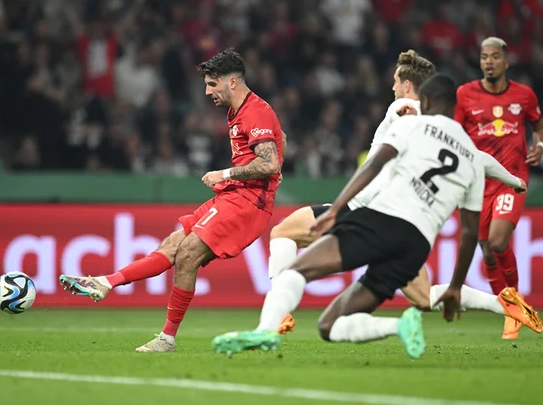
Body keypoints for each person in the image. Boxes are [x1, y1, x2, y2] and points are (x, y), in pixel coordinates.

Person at [212, 74, 542, 359]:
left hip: (381, 218)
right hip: (415, 243)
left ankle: (266, 331)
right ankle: (410, 322)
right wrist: (514, 182)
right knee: (371, 313)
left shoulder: (411, 123)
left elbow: (374, 162)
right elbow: (470, 232)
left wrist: (337, 210)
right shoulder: (470, 152)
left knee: (294, 272)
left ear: (423, 99)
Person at [268, 50, 526, 334]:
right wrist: (512, 179)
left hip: (360, 210)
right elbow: (480, 158)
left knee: (283, 233)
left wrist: (407, 111)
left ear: (406, 85)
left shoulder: (402, 106)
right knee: (424, 299)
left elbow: (405, 111)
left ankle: (278, 313)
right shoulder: (447, 132)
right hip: (402, 224)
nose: (392, 87)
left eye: (395, 81)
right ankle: (502, 303)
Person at [59, 48, 286, 352]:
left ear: (232, 82)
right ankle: (105, 283)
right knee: (172, 244)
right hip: (233, 196)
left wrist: (226, 173)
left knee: (188, 253)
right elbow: (279, 139)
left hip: (247, 202)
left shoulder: (254, 111)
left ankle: (166, 339)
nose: (207, 92)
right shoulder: (241, 110)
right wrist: (272, 166)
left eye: (212, 84)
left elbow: (269, 162)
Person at [455, 37, 543, 339]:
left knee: (497, 241)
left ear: (506, 61)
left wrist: (539, 144)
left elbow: (537, 124)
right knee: (488, 255)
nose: (489, 62)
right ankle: (511, 312)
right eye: (483, 57)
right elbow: (453, 132)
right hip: (476, 184)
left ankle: (515, 307)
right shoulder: (465, 95)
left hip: (511, 180)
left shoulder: (524, 95)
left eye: (494, 56)